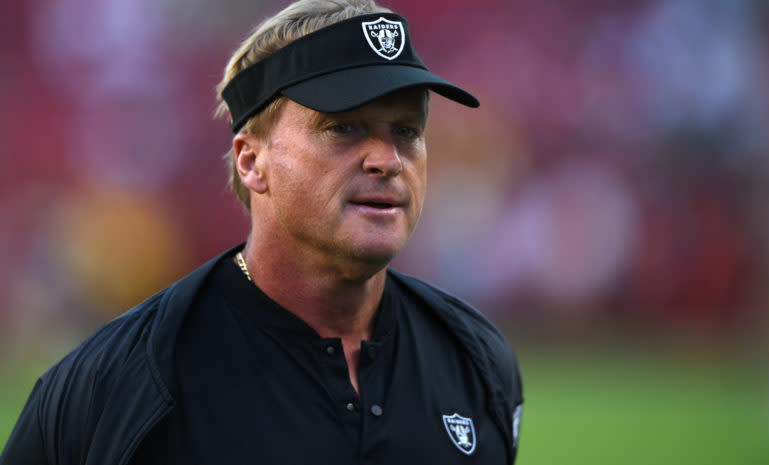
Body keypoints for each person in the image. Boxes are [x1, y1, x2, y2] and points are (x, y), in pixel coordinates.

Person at [0, 0, 523, 464]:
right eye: (344, 127)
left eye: (407, 131)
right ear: (252, 161)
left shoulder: (477, 360)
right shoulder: (120, 383)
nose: (387, 159)